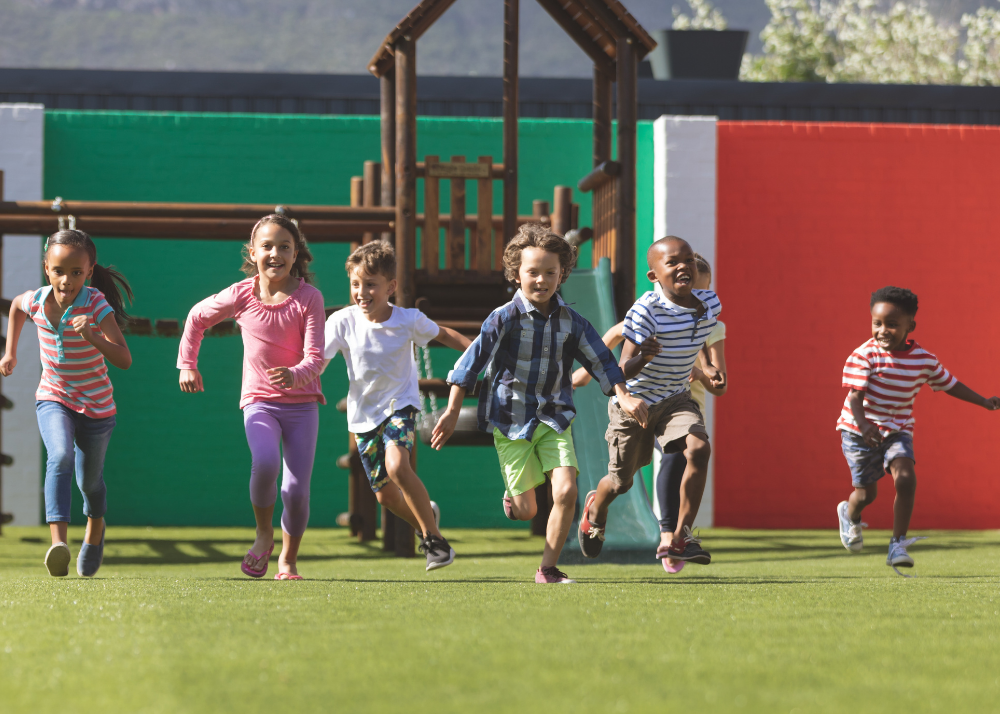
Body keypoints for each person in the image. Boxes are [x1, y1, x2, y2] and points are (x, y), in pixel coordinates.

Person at [432, 223, 648, 584]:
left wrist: (624, 395)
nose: (542, 280)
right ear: (518, 274)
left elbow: (601, 360)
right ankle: (514, 500)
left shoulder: (572, 322)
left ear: (562, 275)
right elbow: (471, 362)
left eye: (551, 273)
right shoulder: (503, 318)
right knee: (527, 509)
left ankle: (547, 568)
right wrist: (452, 410)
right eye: (533, 272)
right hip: (510, 418)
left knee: (565, 491)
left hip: (555, 417)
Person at [178, 214, 325, 581]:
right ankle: (264, 533)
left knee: (295, 492)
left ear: (296, 254)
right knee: (264, 463)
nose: (275, 253)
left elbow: (316, 358)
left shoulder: (309, 298)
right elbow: (197, 317)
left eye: (285, 247)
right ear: (253, 252)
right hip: (259, 401)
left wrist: (294, 375)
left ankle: (288, 560)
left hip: (302, 405)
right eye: (268, 246)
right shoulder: (241, 294)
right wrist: (187, 364)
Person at [324, 240, 470, 571]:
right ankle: (428, 518)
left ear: (390, 287)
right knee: (386, 497)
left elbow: (444, 334)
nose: (362, 292)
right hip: (364, 416)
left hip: (400, 406)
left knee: (397, 467)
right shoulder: (342, 322)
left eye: (370, 285)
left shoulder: (407, 320)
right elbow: (317, 361)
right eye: (355, 284)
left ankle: (434, 542)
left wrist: (476, 354)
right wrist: (297, 376)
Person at [578, 236, 724, 565]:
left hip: (675, 398)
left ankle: (680, 537)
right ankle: (595, 509)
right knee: (621, 482)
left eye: (687, 259)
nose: (683, 266)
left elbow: (698, 331)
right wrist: (642, 359)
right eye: (672, 262)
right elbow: (621, 369)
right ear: (654, 275)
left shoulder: (707, 303)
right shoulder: (646, 311)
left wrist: (707, 364)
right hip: (636, 403)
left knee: (698, 449)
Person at [836, 286, 1000, 572]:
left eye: (892, 324)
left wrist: (984, 402)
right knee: (866, 495)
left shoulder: (923, 360)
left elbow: (951, 384)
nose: (883, 330)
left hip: (897, 430)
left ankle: (897, 544)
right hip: (858, 431)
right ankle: (849, 515)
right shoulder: (864, 356)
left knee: (906, 477)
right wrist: (863, 426)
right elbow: (854, 397)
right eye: (877, 323)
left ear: (910, 326)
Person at [1, 230, 133, 577]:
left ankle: (95, 527)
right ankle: (58, 543)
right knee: (59, 455)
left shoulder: (95, 304)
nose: (67, 280)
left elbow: (124, 359)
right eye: (59, 270)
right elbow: (16, 306)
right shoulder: (36, 300)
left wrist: (92, 335)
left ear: (89, 272)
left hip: (97, 408)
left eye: (77, 272)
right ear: (47, 269)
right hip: (54, 397)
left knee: (90, 483)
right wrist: (10, 351)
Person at [654, 253, 727, 574]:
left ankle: (676, 534)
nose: (698, 299)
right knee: (631, 475)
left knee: (685, 457)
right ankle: (669, 533)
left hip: (689, 409)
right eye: (692, 291)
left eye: (705, 292)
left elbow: (720, 386)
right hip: (656, 401)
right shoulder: (656, 316)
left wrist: (704, 373)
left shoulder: (714, 327)